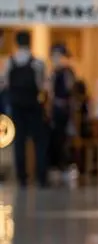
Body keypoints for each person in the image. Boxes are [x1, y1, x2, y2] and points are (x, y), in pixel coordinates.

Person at [0, 31, 48, 187]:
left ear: (16, 43)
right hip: (33, 105)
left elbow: (5, 83)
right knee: (39, 141)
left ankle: (22, 178)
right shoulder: (38, 63)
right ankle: (41, 176)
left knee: (19, 142)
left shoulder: (10, 62)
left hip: (16, 106)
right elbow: (42, 85)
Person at [48, 43, 76, 180]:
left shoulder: (66, 72)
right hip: (55, 109)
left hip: (64, 110)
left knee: (63, 138)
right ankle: (56, 166)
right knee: (55, 138)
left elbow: (69, 90)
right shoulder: (54, 72)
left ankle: (65, 166)